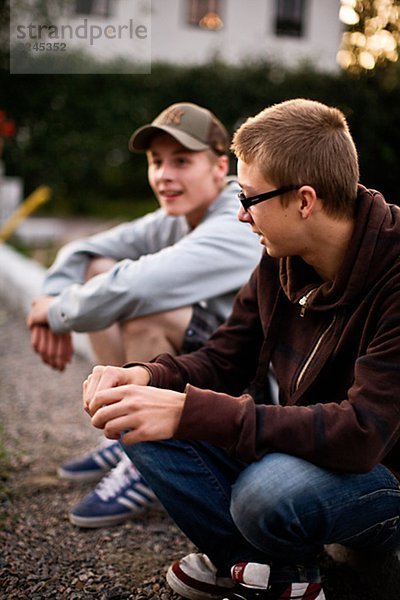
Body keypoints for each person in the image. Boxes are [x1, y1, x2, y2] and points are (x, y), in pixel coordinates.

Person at [83, 98, 400, 600]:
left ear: (304, 200)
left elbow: (362, 434)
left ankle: (263, 567)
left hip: (383, 481)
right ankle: (274, 572)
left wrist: (193, 412)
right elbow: (224, 360)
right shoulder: (281, 258)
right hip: (315, 452)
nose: (239, 214)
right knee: (137, 418)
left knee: (265, 493)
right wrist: (144, 377)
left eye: (249, 198)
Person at [26, 102, 262, 529]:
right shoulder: (179, 216)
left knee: (143, 311)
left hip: (246, 381)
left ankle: (147, 457)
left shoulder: (236, 219)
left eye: (182, 161)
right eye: (156, 162)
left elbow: (137, 284)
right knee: (98, 272)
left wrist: (57, 312)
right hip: (200, 364)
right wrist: (52, 298)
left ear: (219, 166)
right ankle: (130, 438)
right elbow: (84, 251)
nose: (164, 175)